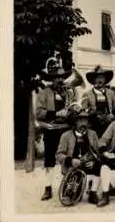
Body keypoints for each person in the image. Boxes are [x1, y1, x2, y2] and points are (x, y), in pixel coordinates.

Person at [35, 59, 76, 201]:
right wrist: (55, 114)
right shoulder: (43, 92)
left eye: (61, 77)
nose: (59, 80)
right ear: (51, 79)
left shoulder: (69, 92)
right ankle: (48, 188)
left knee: (67, 157)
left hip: (65, 129)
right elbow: (38, 112)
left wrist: (73, 110)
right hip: (51, 129)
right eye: (56, 78)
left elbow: (71, 110)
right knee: (49, 160)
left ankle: (67, 187)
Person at [56, 105, 100, 204]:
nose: (83, 123)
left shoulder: (93, 134)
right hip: (72, 167)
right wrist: (71, 160)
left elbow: (98, 152)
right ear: (75, 122)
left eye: (85, 120)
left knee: (99, 165)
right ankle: (73, 188)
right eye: (80, 120)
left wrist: (93, 161)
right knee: (73, 196)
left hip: (88, 164)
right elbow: (59, 154)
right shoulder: (66, 136)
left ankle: (93, 192)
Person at [82, 65, 115, 137]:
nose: (100, 80)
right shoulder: (87, 94)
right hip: (93, 127)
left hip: (109, 126)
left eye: (102, 77)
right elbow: (83, 111)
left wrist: (112, 115)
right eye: (97, 77)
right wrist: (91, 113)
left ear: (105, 80)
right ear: (94, 80)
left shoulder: (111, 93)